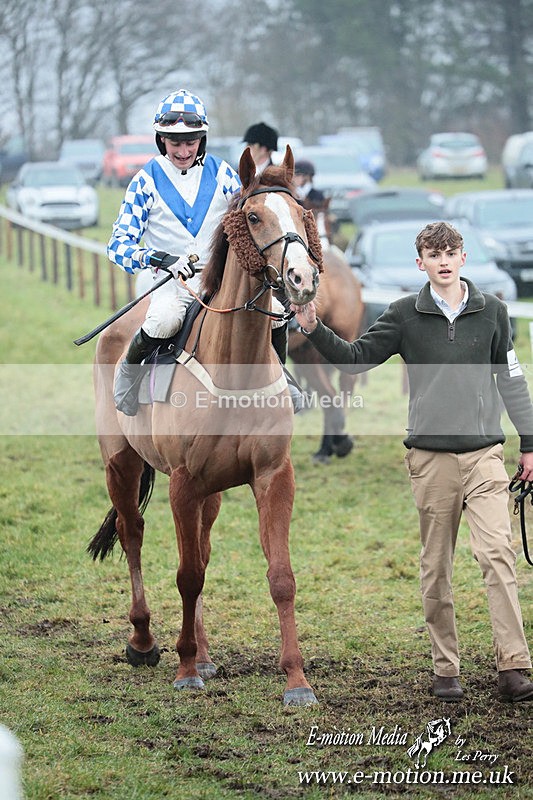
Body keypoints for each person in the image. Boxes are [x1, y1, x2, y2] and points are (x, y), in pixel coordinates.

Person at [292, 220, 533, 702]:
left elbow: (511, 381)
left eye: (451, 252)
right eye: (433, 254)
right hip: (430, 460)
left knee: (498, 556)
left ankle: (514, 666)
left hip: (485, 455)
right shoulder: (404, 314)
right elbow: (357, 359)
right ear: (420, 264)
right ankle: (446, 669)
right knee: (436, 566)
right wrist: (314, 329)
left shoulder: (494, 313)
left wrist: (529, 444)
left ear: (462, 258)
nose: (443, 261)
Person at [107, 89, 242, 415]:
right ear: (161, 140)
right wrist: (160, 259)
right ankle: (128, 372)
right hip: (170, 284)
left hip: (219, 281)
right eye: (174, 142)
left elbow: (245, 222)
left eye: (190, 141)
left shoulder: (223, 174)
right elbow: (117, 246)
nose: (183, 150)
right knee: (165, 320)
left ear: (202, 139)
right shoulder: (144, 181)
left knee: (274, 309)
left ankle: (282, 379)